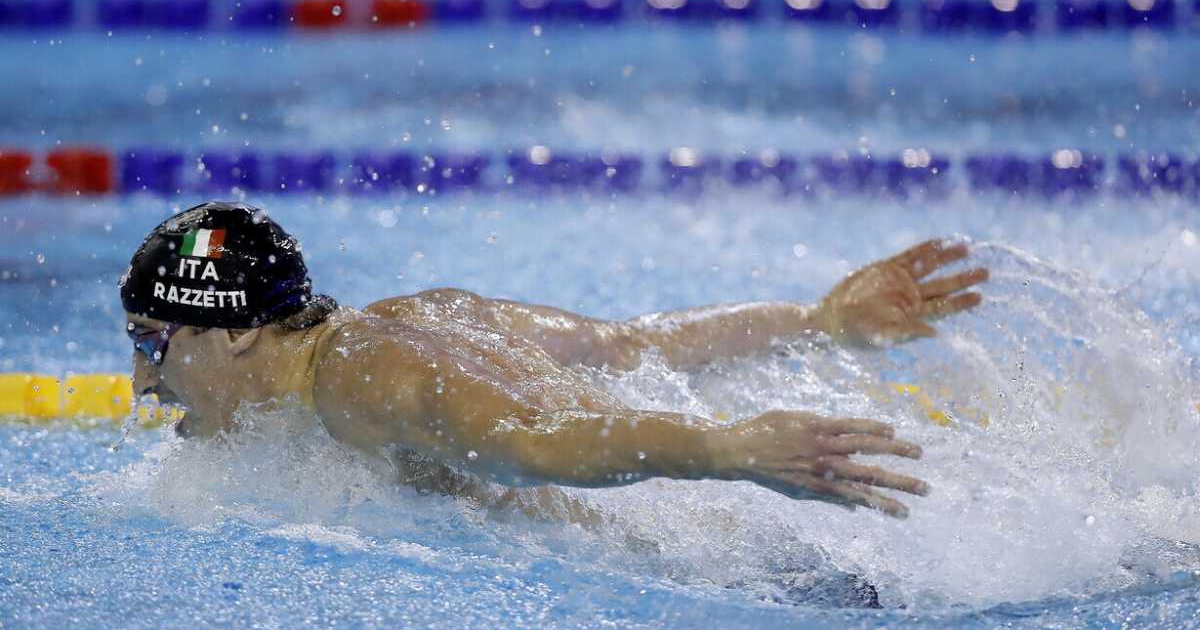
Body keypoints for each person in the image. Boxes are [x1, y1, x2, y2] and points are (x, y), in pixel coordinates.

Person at [120, 202, 987, 519]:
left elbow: (534, 440)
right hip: (757, 538)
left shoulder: (354, 378)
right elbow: (631, 346)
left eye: (152, 342)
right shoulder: (424, 317)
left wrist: (729, 450)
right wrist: (820, 319)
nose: (142, 382)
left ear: (233, 329)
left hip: (721, 560)